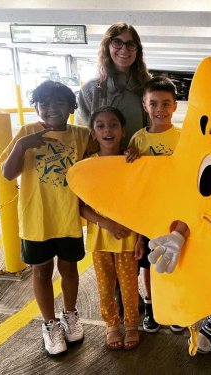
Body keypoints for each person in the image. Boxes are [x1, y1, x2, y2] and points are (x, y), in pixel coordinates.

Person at [0, 80, 91, 356]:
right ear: (36, 106)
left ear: (71, 107)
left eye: (59, 102)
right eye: (45, 103)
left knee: (70, 269)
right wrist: (22, 146)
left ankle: (70, 315)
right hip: (35, 219)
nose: (52, 108)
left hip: (67, 218)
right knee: (41, 272)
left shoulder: (80, 135)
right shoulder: (26, 132)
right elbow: (8, 173)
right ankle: (50, 324)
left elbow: (100, 158)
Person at [129, 76, 189, 334]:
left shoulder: (185, 136)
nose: (160, 110)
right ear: (145, 106)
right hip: (148, 211)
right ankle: (151, 305)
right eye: (154, 104)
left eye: (166, 104)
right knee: (149, 263)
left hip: (177, 210)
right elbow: (132, 177)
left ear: (175, 106)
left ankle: (174, 306)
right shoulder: (138, 140)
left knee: (176, 259)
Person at [80, 106, 143, 350]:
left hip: (128, 237)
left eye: (113, 124)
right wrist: (105, 223)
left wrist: (140, 238)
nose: (108, 130)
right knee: (105, 285)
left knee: (129, 286)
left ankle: (131, 325)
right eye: (101, 125)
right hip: (100, 239)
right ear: (93, 133)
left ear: (123, 130)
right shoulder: (87, 166)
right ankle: (111, 325)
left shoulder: (131, 161)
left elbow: (139, 203)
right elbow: (81, 207)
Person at [76, 22, 151, 148]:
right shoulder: (90, 90)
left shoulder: (148, 87)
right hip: (104, 162)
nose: (124, 49)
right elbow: (83, 134)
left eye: (130, 44)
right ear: (107, 46)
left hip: (141, 159)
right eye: (117, 42)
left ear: (137, 50)